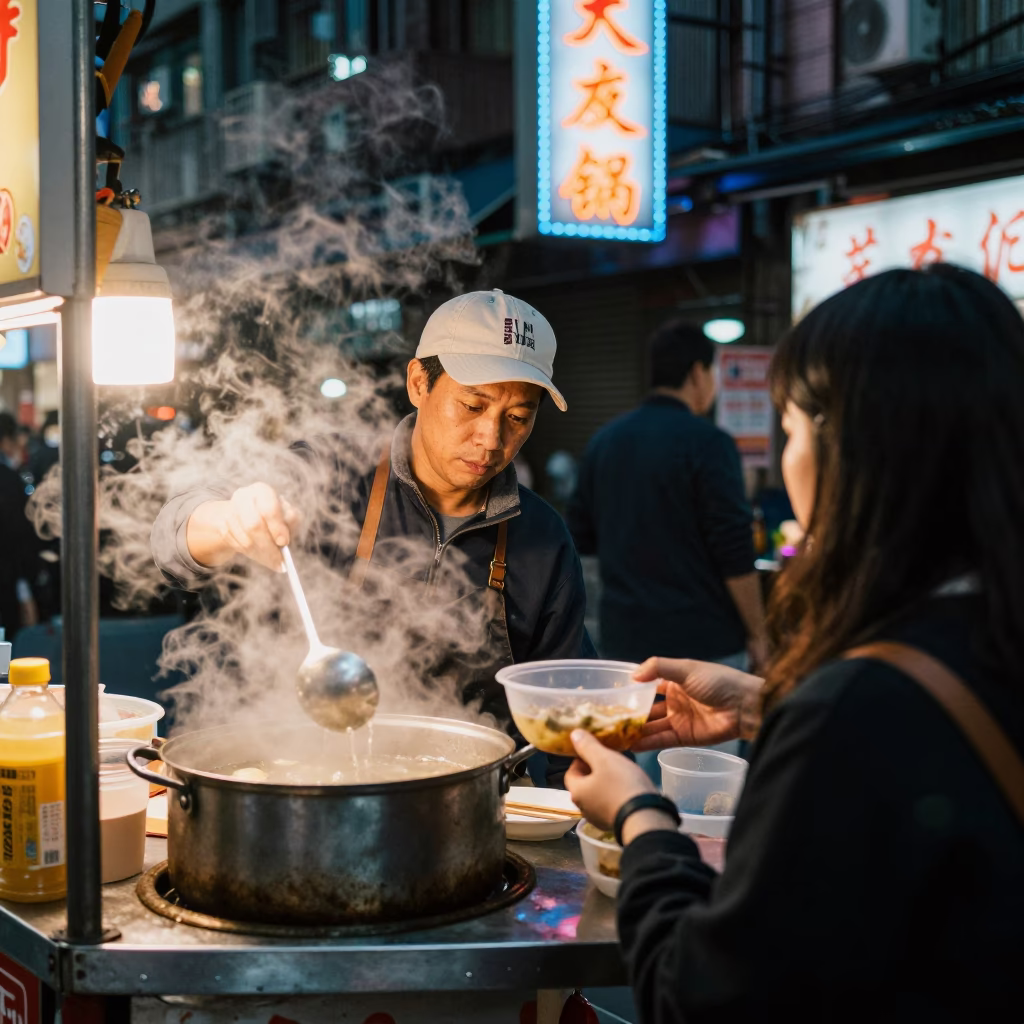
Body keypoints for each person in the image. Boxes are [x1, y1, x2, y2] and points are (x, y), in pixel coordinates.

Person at [565, 266, 1024, 1020]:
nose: (786, 456)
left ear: (857, 453)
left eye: (793, 429)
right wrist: (765, 705)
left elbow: (705, 997)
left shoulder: (850, 714)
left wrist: (642, 816)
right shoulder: (979, 639)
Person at [151, 289, 595, 777]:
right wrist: (226, 520)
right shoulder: (332, 472)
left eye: (517, 418)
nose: (491, 439)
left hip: (462, 804)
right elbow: (175, 540)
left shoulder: (544, 539)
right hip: (290, 777)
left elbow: (565, 716)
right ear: (419, 383)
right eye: (472, 405)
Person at [567, 320, 766, 673]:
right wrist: (759, 634)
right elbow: (734, 549)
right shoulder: (710, 443)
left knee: (635, 730)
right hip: (704, 648)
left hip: (624, 645)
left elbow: (581, 538)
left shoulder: (603, 442)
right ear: (697, 373)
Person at [0, 412, 39, 640]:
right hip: (5, 586)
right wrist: (25, 593)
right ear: (6, 440)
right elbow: (18, 541)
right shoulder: (9, 481)